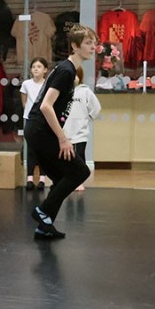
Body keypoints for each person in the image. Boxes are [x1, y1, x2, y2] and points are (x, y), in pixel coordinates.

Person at [24, 25, 96, 239]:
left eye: (94, 43)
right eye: (88, 43)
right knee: (81, 171)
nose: (93, 47)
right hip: (39, 130)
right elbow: (46, 106)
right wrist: (63, 139)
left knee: (61, 176)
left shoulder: (67, 70)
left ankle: (44, 226)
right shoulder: (65, 71)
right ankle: (43, 211)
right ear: (74, 46)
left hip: (38, 130)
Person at [62, 74, 101, 192]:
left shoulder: (86, 91)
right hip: (65, 131)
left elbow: (96, 108)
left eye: (75, 75)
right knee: (67, 157)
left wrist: (88, 118)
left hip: (81, 131)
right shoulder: (62, 92)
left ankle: (79, 182)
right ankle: (68, 181)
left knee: (79, 155)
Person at [20, 57, 51, 191]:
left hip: (44, 119)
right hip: (30, 119)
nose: (36, 69)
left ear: (45, 70)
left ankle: (43, 179)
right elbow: (24, 101)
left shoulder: (48, 84)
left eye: (39, 67)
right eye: (34, 67)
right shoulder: (26, 84)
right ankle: (30, 179)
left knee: (43, 149)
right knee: (31, 149)